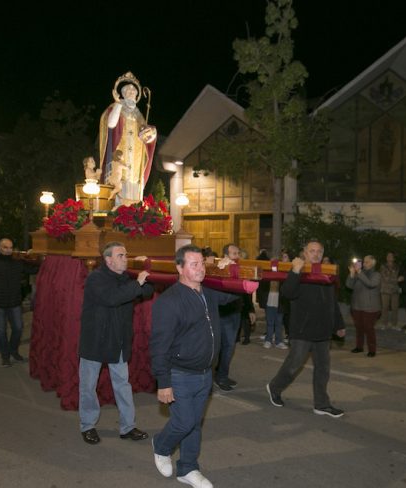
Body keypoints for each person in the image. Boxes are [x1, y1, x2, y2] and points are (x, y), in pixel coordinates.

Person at [150, 245, 238, 488]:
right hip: (179, 374)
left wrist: (234, 272)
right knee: (184, 422)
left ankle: (187, 468)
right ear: (180, 268)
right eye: (194, 264)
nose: (200, 269)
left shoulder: (208, 293)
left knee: (195, 424)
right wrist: (163, 382)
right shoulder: (169, 301)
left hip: (205, 373)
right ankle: (161, 445)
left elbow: (234, 294)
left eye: (202, 263)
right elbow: (159, 346)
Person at [78, 242, 154, 445]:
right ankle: (88, 425)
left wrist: (145, 271)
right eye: (121, 255)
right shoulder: (96, 278)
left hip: (118, 340)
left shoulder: (127, 277)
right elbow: (112, 298)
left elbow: (148, 291)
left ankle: (127, 427)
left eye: (126, 255)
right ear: (108, 259)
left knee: (122, 384)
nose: (126, 258)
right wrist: (137, 283)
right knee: (88, 386)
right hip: (95, 340)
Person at [266, 239, 346, 418]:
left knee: (323, 369)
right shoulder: (298, 270)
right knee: (293, 366)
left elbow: (332, 302)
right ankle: (274, 387)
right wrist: (295, 271)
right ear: (305, 252)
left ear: (322, 254)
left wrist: (339, 325)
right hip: (302, 330)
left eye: (319, 251)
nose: (315, 254)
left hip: (323, 331)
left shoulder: (326, 274)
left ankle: (321, 404)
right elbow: (288, 293)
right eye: (312, 251)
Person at [99, 71, 157, 204]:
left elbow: (146, 137)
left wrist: (152, 134)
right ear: (123, 94)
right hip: (120, 154)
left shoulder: (139, 115)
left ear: (137, 95)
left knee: (134, 188)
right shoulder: (116, 107)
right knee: (119, 186)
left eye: (134, 91)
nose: (131, 92)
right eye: (128, 90)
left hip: (135, 163)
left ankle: (133, 212)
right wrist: (118, 104)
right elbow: (111, 124)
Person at [0, 238, 39, 367]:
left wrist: (46, 260)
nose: (8, 250)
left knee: (18, 329)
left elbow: (33, 269)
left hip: (14, 303)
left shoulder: (17, 262)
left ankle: (13, 350)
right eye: (5, 247)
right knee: (1, 331)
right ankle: (5, 355)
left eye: (10, 247)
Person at [214, 243, 243, 391]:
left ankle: (221, 374)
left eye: (238, 253)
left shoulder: (238, 270)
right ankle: (220, 377)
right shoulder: (220, 269)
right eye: (234, 254)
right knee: (224, 346)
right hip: (223, 313)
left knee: (229, 347)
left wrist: (249, 310)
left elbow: (244, 290)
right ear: (226, 256)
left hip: (235, 313)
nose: (237, 257)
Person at [346, 255, 382, 357]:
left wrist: (359, 272)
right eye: (364, 261)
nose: (363, 263)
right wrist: (352, 274)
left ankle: (372, 349)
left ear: (372, 263)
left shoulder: (376, 274)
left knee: (368, 328)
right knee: (359, 328)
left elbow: (370, 284)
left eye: (366, 261)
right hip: (357, 306)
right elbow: (349, 285)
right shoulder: (359, 273)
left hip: (370, 307)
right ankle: (359, 347)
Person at [256, 251, 291, 349]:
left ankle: (279, 341)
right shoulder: (267, 273)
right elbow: (262, 287)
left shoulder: (283, 273)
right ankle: (268, 340)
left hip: (280, 301)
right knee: (270, 321)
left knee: (279, 322)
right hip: (270, 300)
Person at [379, 252, 400, 329]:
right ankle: (384, 324)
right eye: (388, 256)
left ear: (394, 258)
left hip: (395, 290)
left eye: (391, 256)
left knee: (395, 308)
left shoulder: (397, 267)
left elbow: (399, 276)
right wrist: (396, 279)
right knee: (385, 307)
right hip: (385, 290)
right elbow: (385, 277)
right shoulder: (383, 266)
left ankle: (394, 324)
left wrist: (397, 279)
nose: (389, 257)